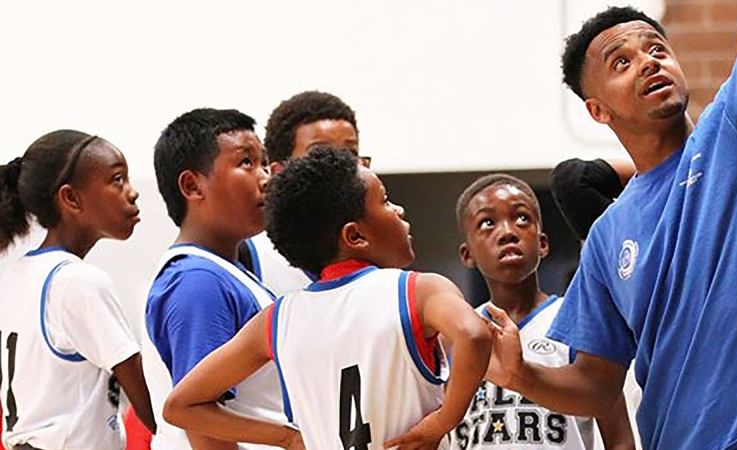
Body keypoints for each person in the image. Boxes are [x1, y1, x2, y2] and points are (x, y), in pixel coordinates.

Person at [486, 3, 737, 449]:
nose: (648, 62)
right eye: (622, 62)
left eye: (657, 49)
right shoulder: (606, 236)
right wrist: (518, 374)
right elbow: (597, 384)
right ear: (598, 110)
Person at [162, 147, 492, 449]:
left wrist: (287, 437)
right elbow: (474, 333)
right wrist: (442, 421)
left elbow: (180, 406)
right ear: (355, 235)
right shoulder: (420, 290)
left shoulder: (276, 319)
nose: (399, 209)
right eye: (385, 200)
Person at [143, 108, 301, 450]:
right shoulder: (197, 281)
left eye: (263, 163)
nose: (265, 178)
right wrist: (289, 438)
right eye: (246, 162)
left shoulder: (228, 271)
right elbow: (200, 420)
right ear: (192, 186)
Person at [451, 174, 634, 450]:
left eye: (522, 218)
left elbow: (620, 439)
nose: (507, 232)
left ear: (543, 243)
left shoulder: (577, 320)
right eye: (488, 222)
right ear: (467, 254)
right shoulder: (458, 332)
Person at [0, 130, 156, 449]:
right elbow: (147, 402)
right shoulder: (78, 281)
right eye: (117, 179)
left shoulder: (20, 273)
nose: (133, 192)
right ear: (71, 198)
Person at [239, 90, 365, 295]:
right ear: (278, 172)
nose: (341, 166)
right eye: (321, 154)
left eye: (351, 154)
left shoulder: (375, 245)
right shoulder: (249, 254)